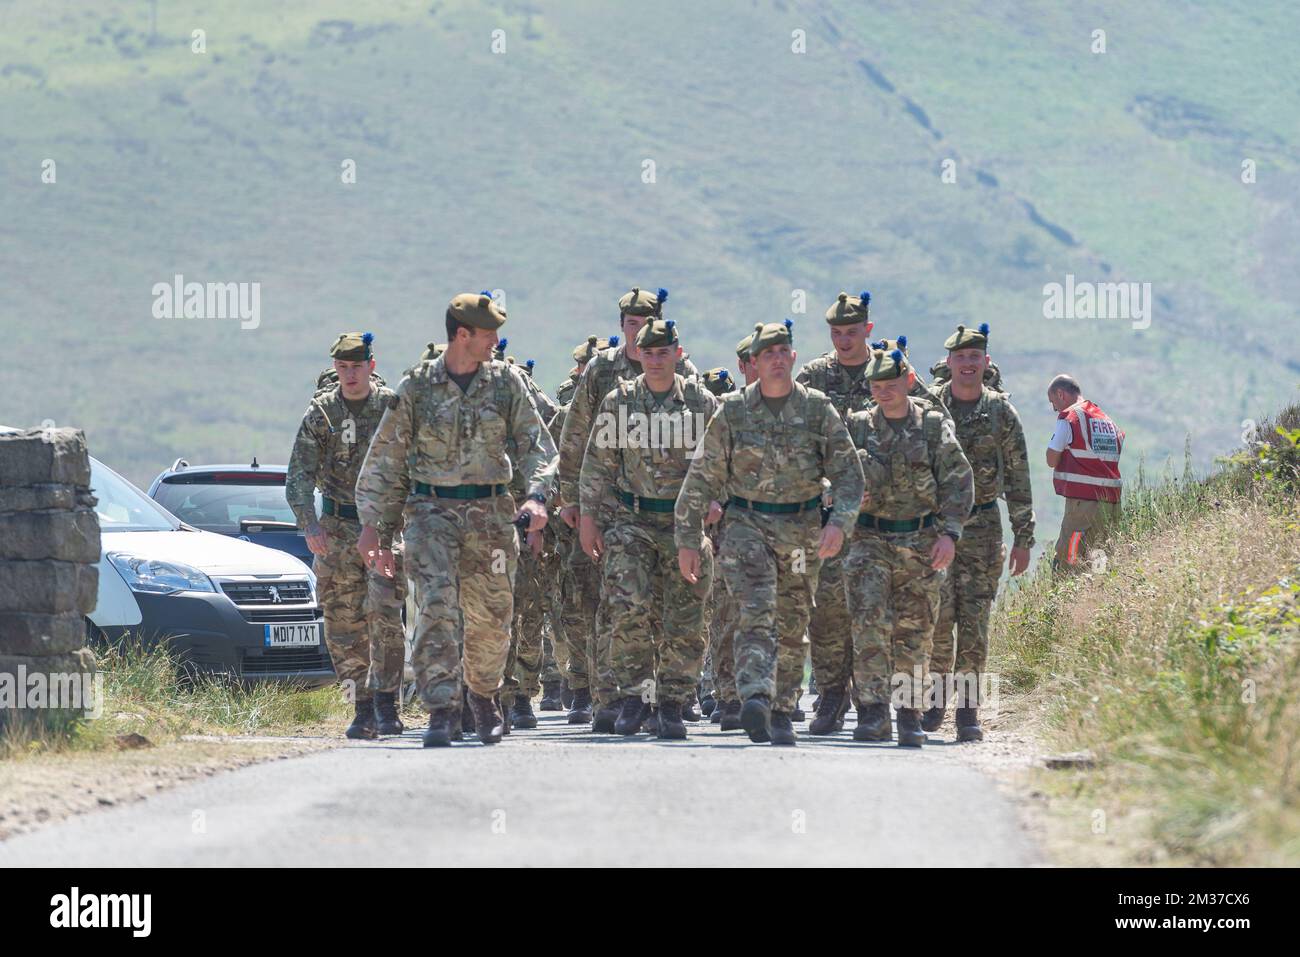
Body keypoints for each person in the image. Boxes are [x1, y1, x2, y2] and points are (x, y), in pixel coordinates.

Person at [354, 293, 556, 747]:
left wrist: (538, 497)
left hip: (491, 514)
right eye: (489, 334)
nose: (496, 342)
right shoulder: (417, 387)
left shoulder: (506, 383)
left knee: (491, 616)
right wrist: (374, 526)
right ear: (462, 335)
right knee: (436, 607)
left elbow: (536, 445)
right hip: (430, 513)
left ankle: (483, 696)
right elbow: (386, 459)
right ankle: (442, 709)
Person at [676, 320, 864, 746]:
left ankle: (781, 708)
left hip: (801, 528)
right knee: (756, 608)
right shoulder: (734, 411)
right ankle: (755, 694)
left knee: (793, 620)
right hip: (747, 526)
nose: (777, 360)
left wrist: (839, 523)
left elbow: (849, 475)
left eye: (783, 353)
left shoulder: (817, 409)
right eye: (768, 355)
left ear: (793, 358)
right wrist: (688, 538)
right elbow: (702, 477)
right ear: (754, 363)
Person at [557, 287, 699, 733]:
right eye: (631, 325)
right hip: (620, 507)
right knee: (617, 603)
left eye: (646, 324)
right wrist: (575, 503)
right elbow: (579, 437)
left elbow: (711, 454)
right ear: (621, 326)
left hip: (675, 514)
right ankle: (613, 696)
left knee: (674, 607)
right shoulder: (603, 373)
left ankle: (670, 697)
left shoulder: (687, 381)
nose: (638, 334)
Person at [578, 319, 719, 738]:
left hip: (685, 526)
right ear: (637, 354)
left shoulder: (701, 402)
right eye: (648, 353)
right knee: (628, 608)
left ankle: (673, 702)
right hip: (632, 520)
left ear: (677, 353)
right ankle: (635, 698)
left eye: (664, 353)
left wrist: (717, 499)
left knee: (685, 617)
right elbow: (597, 464)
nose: (656, 361)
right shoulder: (618, 402)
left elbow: (722, 460)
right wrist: (588, 519)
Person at [844, 347, 973, 747]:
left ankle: (908, 714)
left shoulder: (933, 427)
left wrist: (949, 534)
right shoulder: (858, 426)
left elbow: (959, 481)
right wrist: (844, 497)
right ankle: (872, 712)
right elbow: (833, 474)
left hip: (920, 541)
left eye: (891, 384)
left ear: (907, 381)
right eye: (876, 386)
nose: (884, 392)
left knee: (915, 632)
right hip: (868, 540)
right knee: (870, 626)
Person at [286, 332, 407, 740]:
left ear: (371, 366)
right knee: (343, 622)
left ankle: (388, 704)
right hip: (337, 528)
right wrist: (310, 525)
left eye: (357, 366)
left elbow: (409, 467)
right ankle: (362, 706)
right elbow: (298, 477)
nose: (350, 374)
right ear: (335, 368)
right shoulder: (322, 412)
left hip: (385, 527)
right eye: (342, 367)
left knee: (385, 616)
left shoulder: (390, 407)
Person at [926, 323, 1034, 741]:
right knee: (937, 620)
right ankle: (934, 702)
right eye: (961, 358)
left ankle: (968, 712)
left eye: (975, 357)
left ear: (985, 362)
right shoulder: (931, 407)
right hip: (937, 529)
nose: (968, 364)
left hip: (984, 528)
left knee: (975, 623)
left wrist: (1024, 538)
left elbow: (1019, 476)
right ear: (950, 363)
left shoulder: (1001, 413)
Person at [796, 291, 874, 736]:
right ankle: (829, 696)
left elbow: (922, 422)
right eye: (837, 333)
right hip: (826, 517)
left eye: (852, 332)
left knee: (870, 610)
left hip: (878, 519)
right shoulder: (815, 377)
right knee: (826, 612)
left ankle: (869, 700)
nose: (844, 341)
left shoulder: (889, 373)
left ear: (868, 329)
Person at [1045, 374, 1123, 572]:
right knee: (1101, 554)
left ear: (1060, 394)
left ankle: (1067, 597)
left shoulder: (1070, 417)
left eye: (1053, 402)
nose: (1054, 408)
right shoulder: (1106, 420)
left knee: (1070, 555)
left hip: (1083, 502)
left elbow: (1051, 459)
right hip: (1111, 500)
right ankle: (1099, 594)